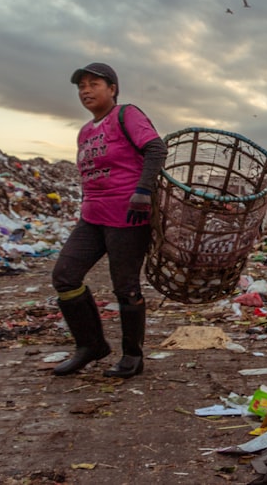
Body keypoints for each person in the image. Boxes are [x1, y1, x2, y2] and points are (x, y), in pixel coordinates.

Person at [51, 62, 167, 378]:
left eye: (93, 84)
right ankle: (91, 346)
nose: (85, 90)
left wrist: (143, 191)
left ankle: (132, 355)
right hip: (92, 217)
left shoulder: (126, 115)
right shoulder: (85, 132)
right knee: (65, 275)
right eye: (81, 86)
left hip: (127, 215)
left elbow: (156, 148)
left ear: (112, 89)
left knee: (125, 286)